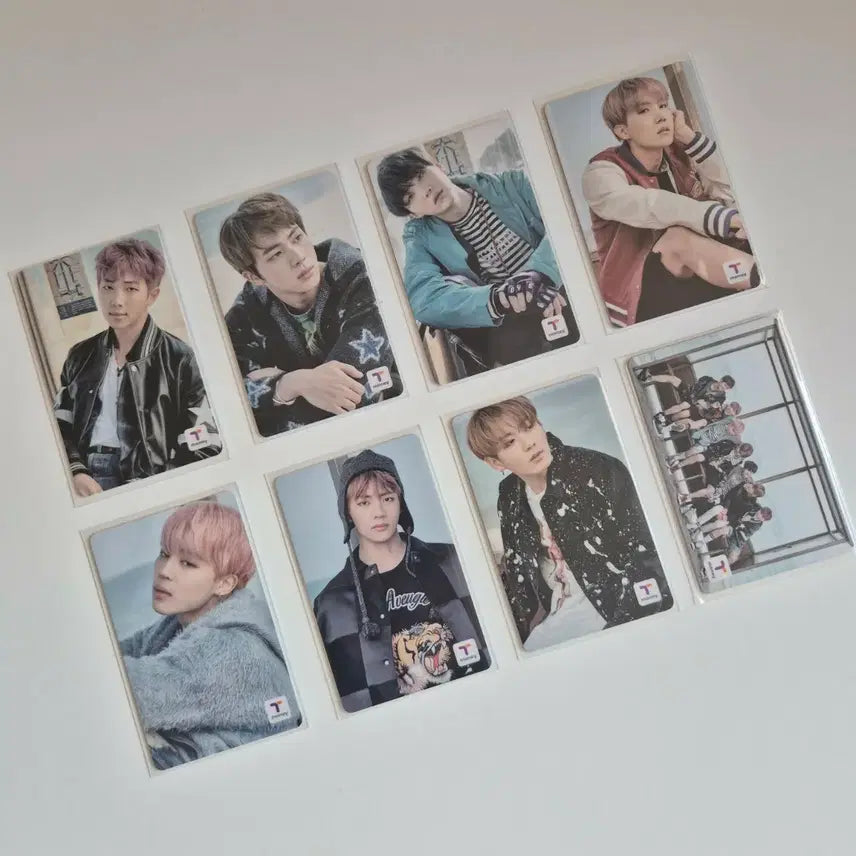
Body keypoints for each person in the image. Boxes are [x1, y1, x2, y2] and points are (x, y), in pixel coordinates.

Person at [466, 396, 672, 645]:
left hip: (614, 614)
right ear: (495, 462)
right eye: (510, 442)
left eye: (529, 426)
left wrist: (621, 630)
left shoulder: (597, 469)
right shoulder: (510, 496)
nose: (529, 443)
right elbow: (518, 579)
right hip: (558, 619)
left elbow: (648, 555)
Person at [119, 501, 301, 770]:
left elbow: (128, 695)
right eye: (164, 554)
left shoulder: (234, 652)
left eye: (187, 563)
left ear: (224, 583)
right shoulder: (177, 624)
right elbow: (119, 654)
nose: (164, 572)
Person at [313, 450, 488, 712]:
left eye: (387, 498)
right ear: (348, 513)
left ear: (400, 502)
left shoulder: (452, 560)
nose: (379, 512)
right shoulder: (332, 604)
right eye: (364, 503)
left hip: (477, 704)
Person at [376, 148, 579, 374]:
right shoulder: (420, 237)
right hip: (511, 324)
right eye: (410, 197)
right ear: (412, 213)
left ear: (437, 165)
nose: (425, 191)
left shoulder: (511, 183)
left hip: (562, 292)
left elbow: (564, 220)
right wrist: (498, 298)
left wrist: (538, 275)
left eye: (421, 175)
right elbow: (423, 300)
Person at [219, 192, 402, 437]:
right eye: (276, 254)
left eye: (297, 238)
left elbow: (351, 391)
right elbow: (231, 404)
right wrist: (295, 382)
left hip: (388, 418)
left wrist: (276, 393)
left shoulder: (363, 275)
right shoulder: (244, 314)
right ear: (253, 276)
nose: (299, 257)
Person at [582, 77, 759, 327]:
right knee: (678, 237)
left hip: (695, 271)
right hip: (641, 295)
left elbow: (732, 193)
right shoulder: (600, 173)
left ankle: (764, 280)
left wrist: (690, 138)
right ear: (623, 131)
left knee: (747, 234)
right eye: (644, 110)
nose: (661, 116)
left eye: (663, 106)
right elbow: (650, 204)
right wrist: (717, 218)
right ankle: (768, 280)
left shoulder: (679, 154)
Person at [53, 239, 220, 497]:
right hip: (85, 476)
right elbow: (59, 424)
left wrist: (161, 481)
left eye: (130, 289)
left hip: (151, 480)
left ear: (152, 295)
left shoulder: (180, 357)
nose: (117, 300)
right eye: (108, 287)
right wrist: (76, 470)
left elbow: (205, 438)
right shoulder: (80, 355)